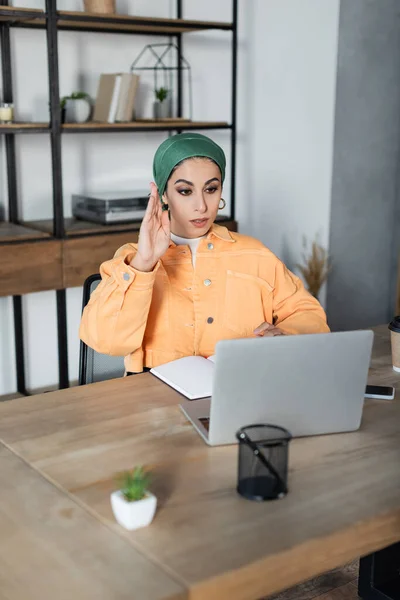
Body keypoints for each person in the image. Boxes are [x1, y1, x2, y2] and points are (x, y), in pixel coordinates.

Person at [80, 133, 329, 374]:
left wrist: (287, 335)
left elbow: (309, 315)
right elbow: (104, 341)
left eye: (211, 189)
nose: (201, 205)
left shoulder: (255, 254)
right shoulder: (131, 259)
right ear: (163, 194)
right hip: (154, 403)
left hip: (240, 391)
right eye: (185, 191)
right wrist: (144, 263)